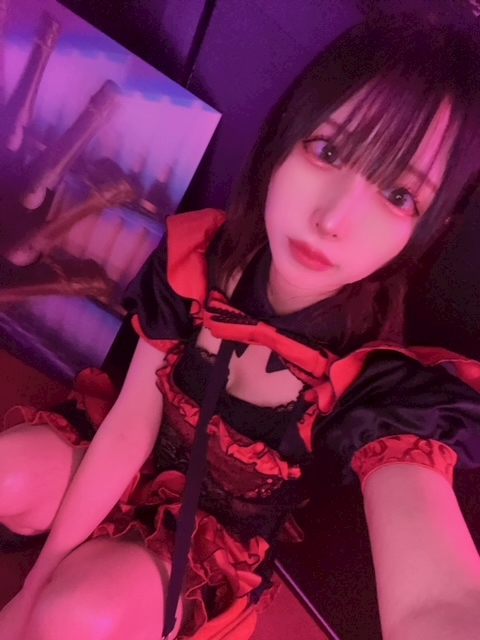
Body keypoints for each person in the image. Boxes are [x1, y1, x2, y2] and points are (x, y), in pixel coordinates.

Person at [1, 9, 480, 640]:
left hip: (202, 546)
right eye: (329, 150)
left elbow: (439, 602)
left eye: (398, 195)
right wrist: (32, 587)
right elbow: (129, 425)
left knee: (76, 614)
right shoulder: (200, 259)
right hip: (120, 456)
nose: (333, 220)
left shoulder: (383, 387)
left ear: (430, 227)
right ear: (286, 136)